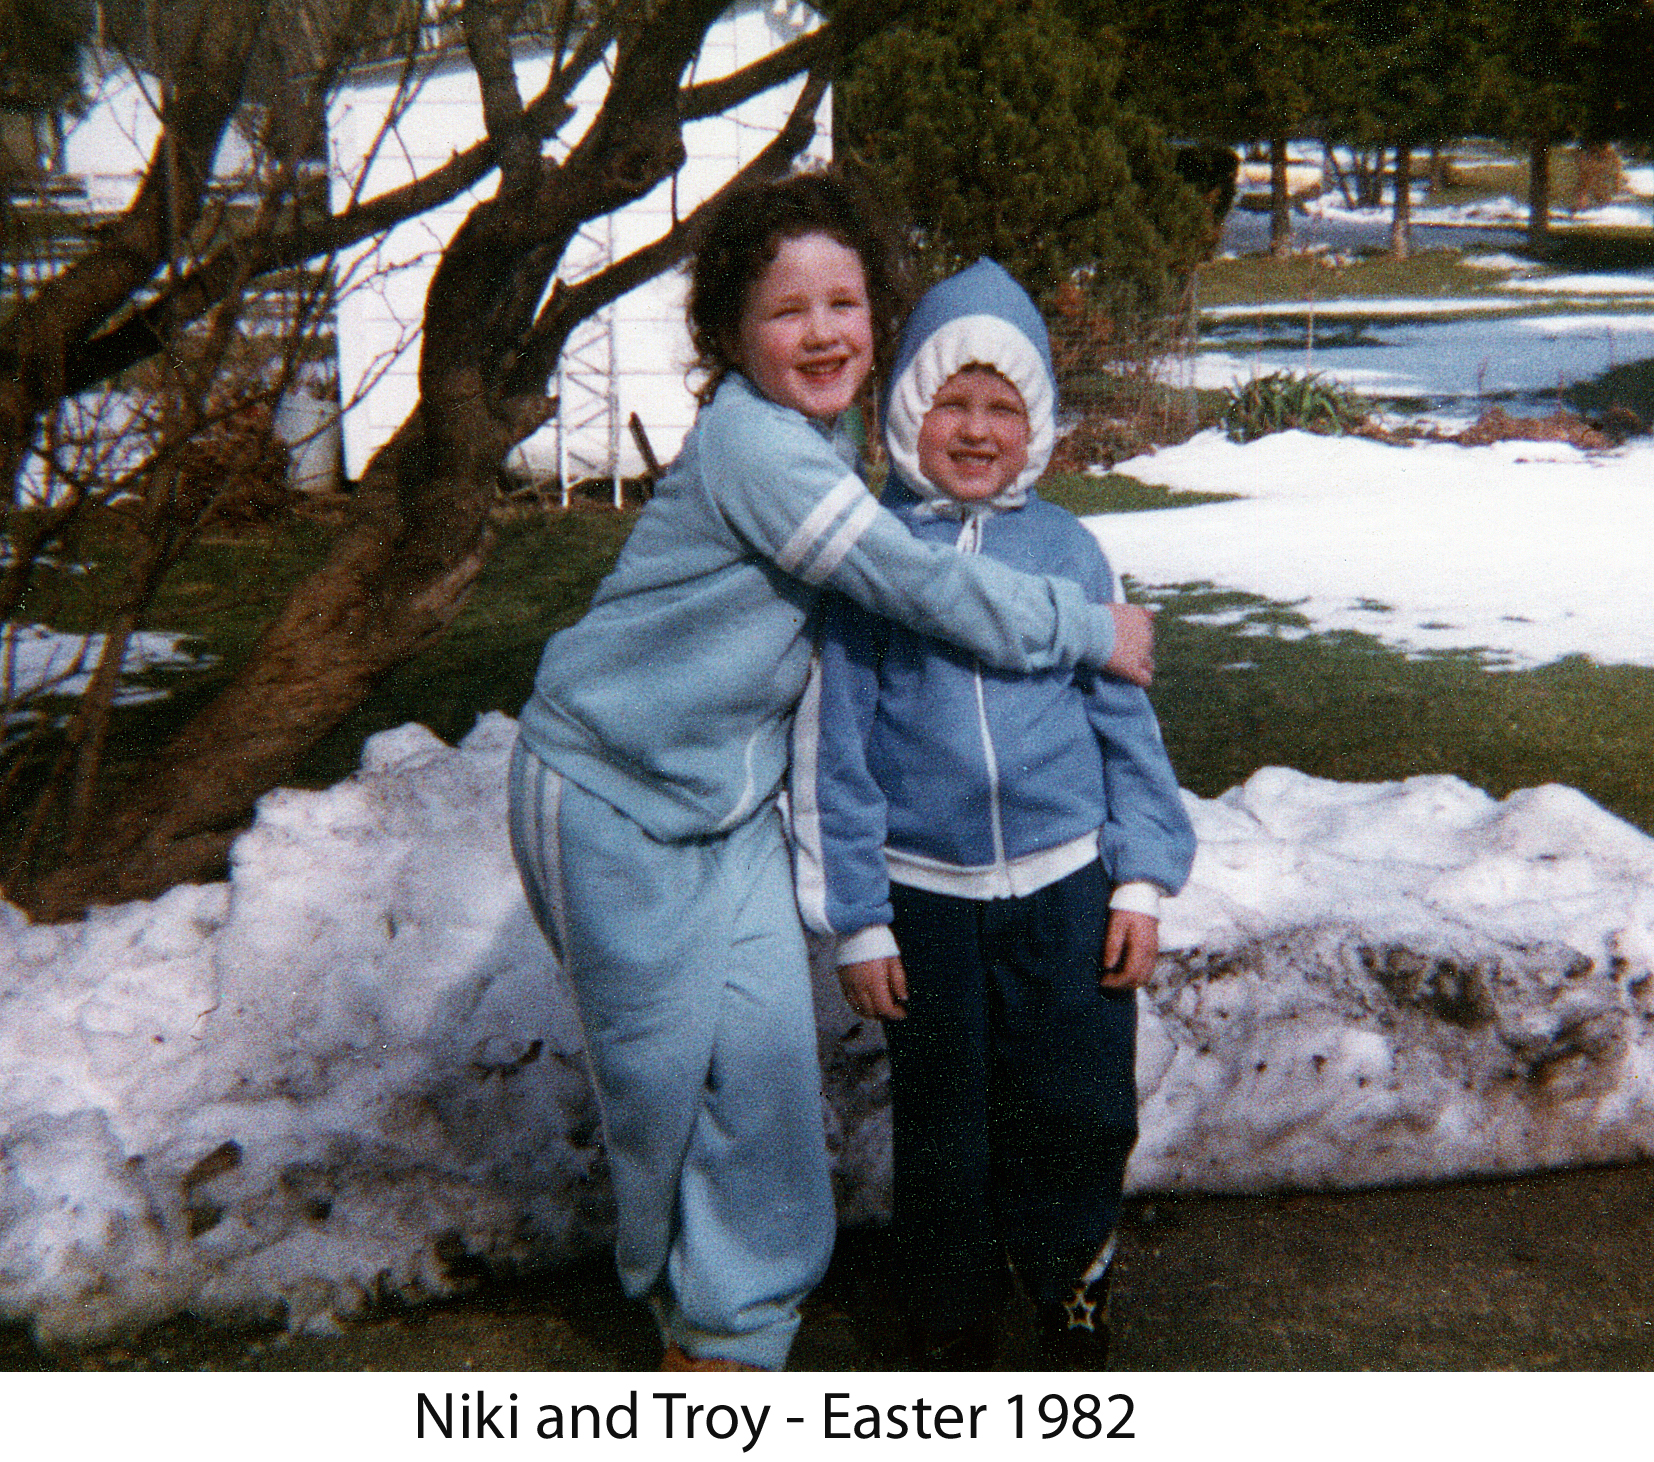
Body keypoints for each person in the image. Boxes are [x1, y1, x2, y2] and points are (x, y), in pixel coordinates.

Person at [507, 172, 1157, 1373]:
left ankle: (732, 1335)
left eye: (845, 303)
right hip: (601, 790)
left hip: (729, 809)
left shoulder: (825, 437)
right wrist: (1084, 625)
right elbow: (908, 582)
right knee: (662, 1081)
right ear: (728, 334)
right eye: (785, 310)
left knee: (761, 1077)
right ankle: (677, 1296)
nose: (822, 332)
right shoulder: (758, 447)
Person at [790, 258, 1197, 1369]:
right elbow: (839, 751)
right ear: (907, 412)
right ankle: (950, 1310)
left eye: (1002, 408)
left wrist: (1141, 879)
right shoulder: (874, 558)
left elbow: (1124, 724)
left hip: (1067, 888)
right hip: (928, 898)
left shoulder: (1068, 549)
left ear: (1039, 427)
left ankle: (1069, 1273)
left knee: (1076, 1102)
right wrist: (859, 917)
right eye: (950, 403)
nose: (974, 431)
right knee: (945, 1126)